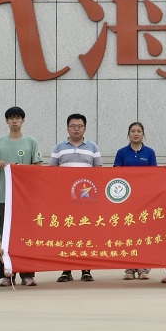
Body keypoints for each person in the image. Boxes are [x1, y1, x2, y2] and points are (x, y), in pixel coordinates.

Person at [0, 106, 42, 287]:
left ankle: (28, 274)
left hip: (26, 198)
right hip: (6, 197)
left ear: (23, 120)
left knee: (27, 235)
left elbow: (38, 167)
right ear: (7, 121)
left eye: (18, 118)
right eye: (11, 118)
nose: (15, 121)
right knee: (7, 236)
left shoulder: (31, 142)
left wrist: (20, 168)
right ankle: (8, 273)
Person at [49, 113, 102, 283]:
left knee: (86, 232)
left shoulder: (93, 147)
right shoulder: (59, 148)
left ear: (85, 128)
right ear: (67, 128)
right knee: (66, 233)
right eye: (73, 126)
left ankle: (86, 269)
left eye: (80, 126)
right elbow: (51, 173)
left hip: (86, 199)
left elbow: (99, 174)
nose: (76, 129)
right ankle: (66, 270)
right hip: (65, 200)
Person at [113, 122, 157, 280]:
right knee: (128, 233)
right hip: (126, 199)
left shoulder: (150, 152)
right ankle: (129, 268)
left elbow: (155, 175)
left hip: (145, 199)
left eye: (139, 131)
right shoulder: (121, 152)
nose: (136, 133)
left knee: (144, 233)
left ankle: (144, 268)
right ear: (128, 134)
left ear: (143, 134)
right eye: (133, 131)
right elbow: (115, 175)